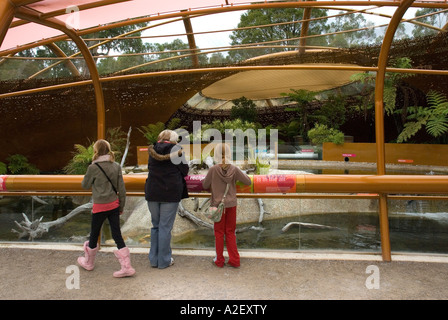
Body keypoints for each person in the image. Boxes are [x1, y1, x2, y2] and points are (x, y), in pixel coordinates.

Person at [78, 139, 135, 278]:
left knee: (94, 233)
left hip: (99, 206)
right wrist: (121, 206)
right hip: (113, 204)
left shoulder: (93, 168)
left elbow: (85, 185)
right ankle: (126, 266)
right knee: (116, 234)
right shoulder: (115, 166)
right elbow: (121, 189)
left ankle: (89, 263)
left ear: (96, 151)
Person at [202, 142, 251, 268]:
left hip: (217, 206)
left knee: (219, 233)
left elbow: (205, 185)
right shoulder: (234, 169)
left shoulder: (213, 169)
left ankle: (219, 260)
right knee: (230, 232)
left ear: (216, 155)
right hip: (231, 205)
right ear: (229, 154)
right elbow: (248, 181)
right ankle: (235, 260)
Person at [145, 129, 189, 269]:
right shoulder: (177, 150)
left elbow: (149, 168)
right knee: (165, 227)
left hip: (152, 191)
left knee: (156, 226)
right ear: (174, 140)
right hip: (170, 192)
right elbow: (185, 170)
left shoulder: (152, 151)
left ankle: (154, 260)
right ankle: (164, 261)